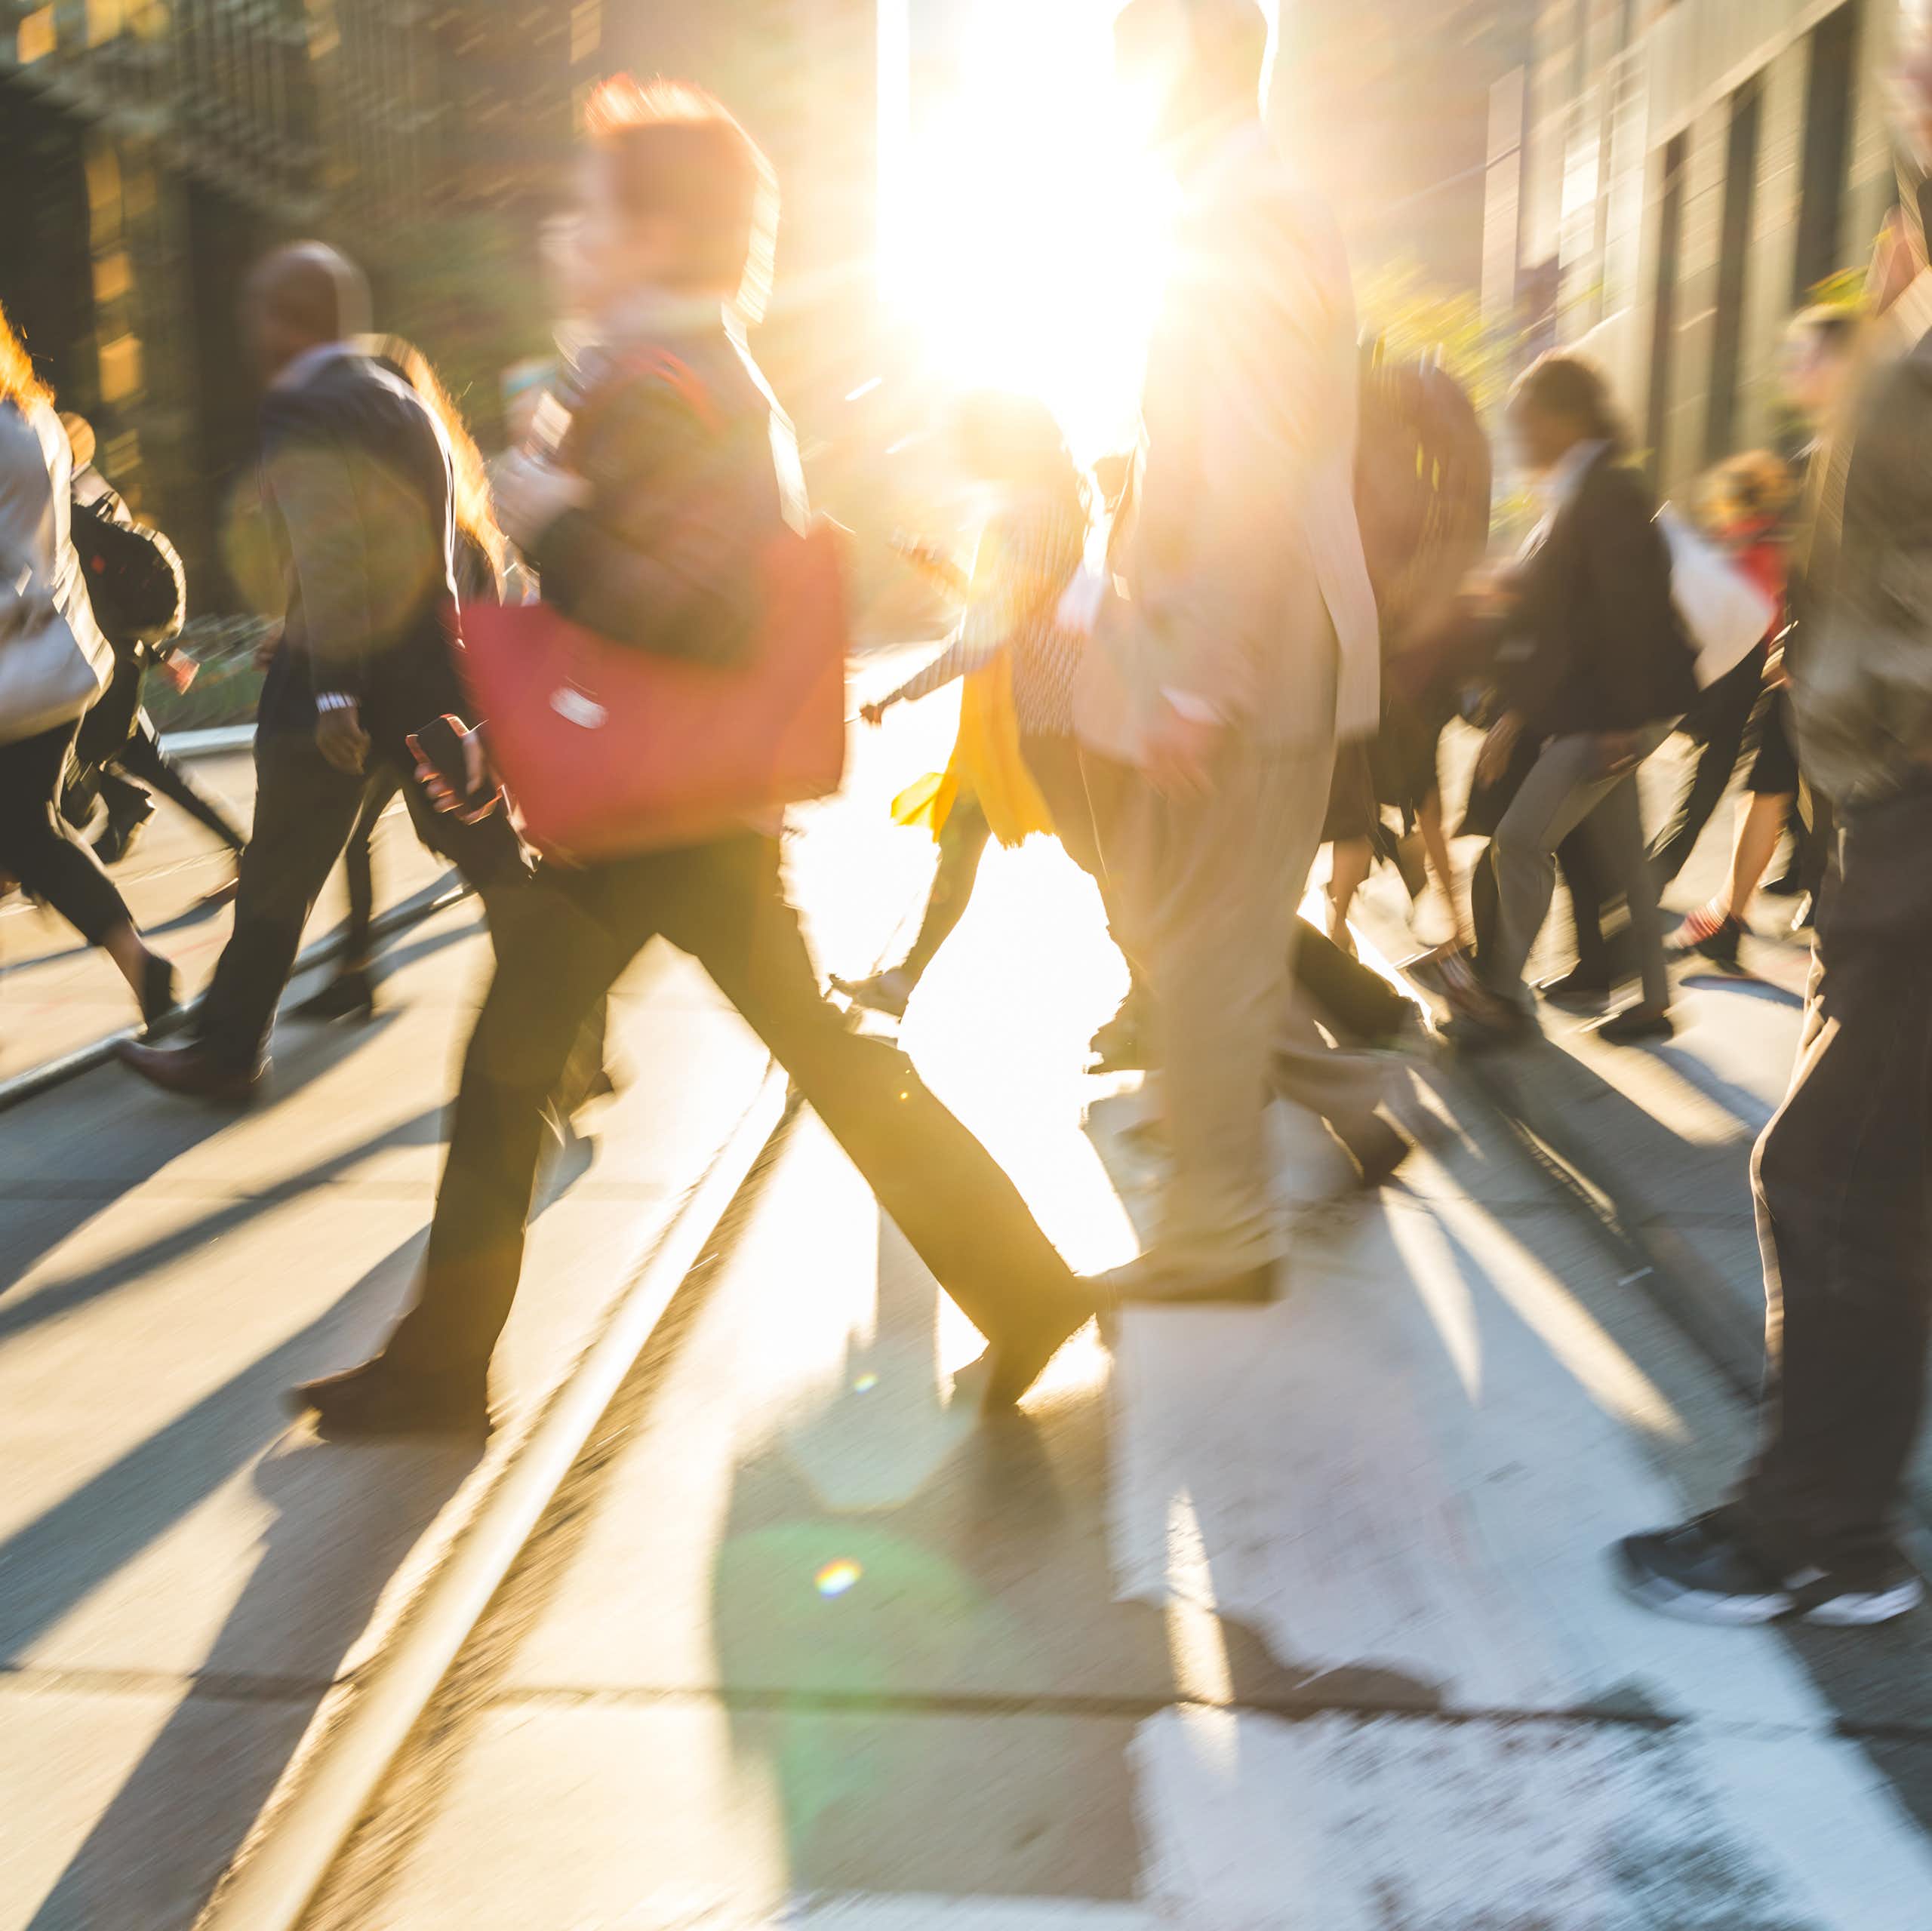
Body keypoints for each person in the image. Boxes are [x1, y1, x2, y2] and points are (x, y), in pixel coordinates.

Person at [290, 78, 1096, 1437]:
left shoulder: (669, 382)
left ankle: (442, 1365)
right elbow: (651, 620)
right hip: (682, 802)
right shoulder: (680, 371)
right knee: (797, 1052)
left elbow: (695, 612)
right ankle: (1022, 1283)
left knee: (519, 1063)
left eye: (593, 210)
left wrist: (550, 516)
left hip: (663, 812)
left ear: (657, 233)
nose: (568, 234)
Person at [1614, 103, 1932, 1625]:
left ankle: (1821, 1534)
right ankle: (1833, 1525)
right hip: (1878, 801)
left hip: (1917, 805)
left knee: (1831, 1171)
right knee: (1858, 1175)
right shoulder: (1907, 279)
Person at [1076, 0, 1400, 1309]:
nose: (1112, 85)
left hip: (1251, 643)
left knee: (1203, 939)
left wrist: (1204, 676)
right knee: (1199, 923)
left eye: (1123, 59)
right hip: (1230, 633)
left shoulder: (1248, 210)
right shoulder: (1227, 203)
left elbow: (1253, 468)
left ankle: (1220, 1233)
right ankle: (1349, 1097)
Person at [114, 245, 531, 1102]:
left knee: (279, 874)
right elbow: (415, 562)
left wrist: (335, 682)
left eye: (262, 313)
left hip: (334, 690)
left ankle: (229, 1053)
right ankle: (575, 1032)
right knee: (491, 862)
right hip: (424, 678)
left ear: (285, 321)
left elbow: (334, 547)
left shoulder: (305, 403)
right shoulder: (403, 401)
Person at [1445, 353, 1697, 1048]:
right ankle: (1651, 999)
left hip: (1617, 710)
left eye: (1526, 420)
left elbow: (1626, 614)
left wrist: (1615, 723)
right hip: (1607, 707)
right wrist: (1517, 713)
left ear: (1567, 418)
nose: (1518, 434)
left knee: (1522, 839)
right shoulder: (1578, 489)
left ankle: (1496, 994)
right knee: (1622, 851)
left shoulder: (1608, 489)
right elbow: (1569, 623)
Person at [832, 389, 1095, 1020]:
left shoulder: (1030, 517)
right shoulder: (1040, 510)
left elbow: (989, 631)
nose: (962, 456)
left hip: (1053, 718)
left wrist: (900, 693)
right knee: (969, 838)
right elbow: (1001, 605)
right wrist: (942, 568)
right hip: (1024, 718)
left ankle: (1163, 987)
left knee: (1102, 854)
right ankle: (905, 982)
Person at [292, 334, 516, 1024]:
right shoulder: (453, 501)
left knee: (492, 871)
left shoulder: (420, 505)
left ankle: (575, 1024)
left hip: (432, 707)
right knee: (382, 838)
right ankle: (355, 968)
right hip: (422, 703)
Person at [0, 302, 177, 1031]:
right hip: (57, 663)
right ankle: (140, 962)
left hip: (12, 674)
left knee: (29, 835)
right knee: (29, 831)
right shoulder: (34, 419)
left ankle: (141, 961)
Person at [56, 414, 249, 887]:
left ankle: (100, 832)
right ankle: (235, 844)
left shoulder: (63, 508)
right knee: (149, 765)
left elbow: (88, 594)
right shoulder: (101, 494)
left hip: (93, 663)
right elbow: (131, 590)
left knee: (65, 769)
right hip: (122, 659)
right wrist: (162, 652)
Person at [1660, 453, 1798, 969]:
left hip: (1765, 671)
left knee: (1755, 785)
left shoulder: (1749, 540)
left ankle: (1723, 910)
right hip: (1776, 669)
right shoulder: (1768, 537)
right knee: (1763, 786)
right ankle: (1730, 913)